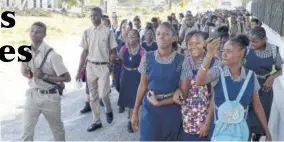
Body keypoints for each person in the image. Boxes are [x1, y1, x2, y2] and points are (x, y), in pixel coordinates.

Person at [195, 34, 272, 141]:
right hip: (218, 131)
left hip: (240, 132)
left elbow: (257, 105)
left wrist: (266, 131)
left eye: (229, 51)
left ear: (241, 53)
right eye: (223, 51)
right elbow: (199, 81)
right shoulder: (217, 71)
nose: (224, 54)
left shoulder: (251, 76)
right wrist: (209, 55)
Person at [131, 22, 190, 141]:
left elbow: (184, 93)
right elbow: (142, 86)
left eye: (166, 34)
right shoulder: (147, 57)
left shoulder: (182, 60)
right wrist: (135, 111)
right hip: (149, 110)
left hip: (171, 112)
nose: (161, 37)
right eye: (158, 34)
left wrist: (161, 103)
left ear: (174, 38)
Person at [21, 22, 71, 141]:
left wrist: (45, 76)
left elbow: (67, 78)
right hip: (33, 95)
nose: (33, 33)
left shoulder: (52, 55)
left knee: (57, 129)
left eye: (38, 32)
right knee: (26, 133)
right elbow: (26, 74)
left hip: (50, 97)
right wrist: (26, 72)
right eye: (32, 31)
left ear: (44, 35)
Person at [173, 30, 220, 141]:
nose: (193, 47)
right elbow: (179, 85)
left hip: (206, 116)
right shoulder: (184, 62)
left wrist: (207, 123)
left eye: (198, 43)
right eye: (190, 44)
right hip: (187, 117)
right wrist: (177, 90)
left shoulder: (214, 63)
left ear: (205, 43)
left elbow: (215, 95)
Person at [77, 7, 117, 132]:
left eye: (95, 15)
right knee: (93, 97)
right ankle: (97, 121)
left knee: (104, 95)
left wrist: (110, 65)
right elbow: (84, 52)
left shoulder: (108, 32)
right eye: (91, 16)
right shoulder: (87, 32)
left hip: (103, 66)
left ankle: (108, 110)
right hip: (90, 67)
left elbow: (113, 51)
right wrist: (79, 71)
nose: (93, 18)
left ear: (101, 16)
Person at [244, 27, 283, 141]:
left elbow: (279, 69)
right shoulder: (246, 49)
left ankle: (257, 136)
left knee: (262, 114)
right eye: (250, 40)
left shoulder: (273, 50)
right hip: (248, 86)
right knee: (247, 114)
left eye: (255, 41)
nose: (252, 44)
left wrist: (272, 77)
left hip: (265, 88)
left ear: (264, 39)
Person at [118, 29, 145, 133]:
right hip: (126, 76)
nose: (130, 39)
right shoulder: (124, 49)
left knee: (134, 99)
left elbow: (145, 67)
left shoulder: (142, 51)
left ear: (138, 38)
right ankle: (131, 117)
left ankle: (131, 121)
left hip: (137, 76)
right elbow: (120, 59)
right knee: (129, 99)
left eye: (133, 36)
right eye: (129, 36)